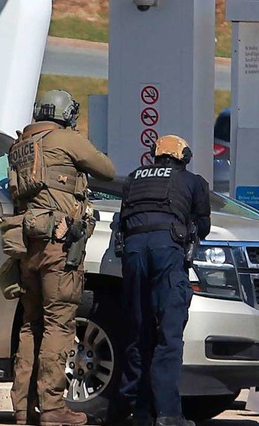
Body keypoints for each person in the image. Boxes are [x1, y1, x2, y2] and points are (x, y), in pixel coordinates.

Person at [7, 90, 115, 425]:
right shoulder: (65, 139)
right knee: (59, 323)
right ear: (66, 113)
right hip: (59, 246)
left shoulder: (21, 145)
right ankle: (53, 408)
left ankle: (23, 408)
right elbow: (106, 170)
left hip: (27, 245)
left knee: (30, 325)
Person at [116, 135, 211, 426]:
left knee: (139, 331)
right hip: (166, 251)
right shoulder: (193, 181)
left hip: (133, 252)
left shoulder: (134, 178)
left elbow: (123, 220)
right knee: (168, 335)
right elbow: (203, 226)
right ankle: (169, 413)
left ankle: (137, 411)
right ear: (183, 157)